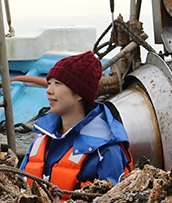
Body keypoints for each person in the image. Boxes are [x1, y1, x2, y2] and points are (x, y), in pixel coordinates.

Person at [19, 51, 131, 191]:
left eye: (57, 84)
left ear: (79, 93)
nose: (48, 90)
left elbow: (112, 202)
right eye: (49, 83)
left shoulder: (107, 149)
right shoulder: (41, 138)